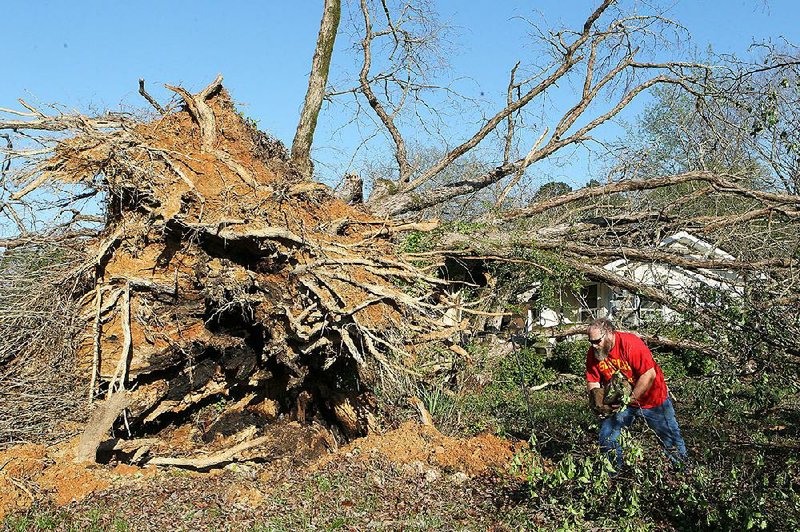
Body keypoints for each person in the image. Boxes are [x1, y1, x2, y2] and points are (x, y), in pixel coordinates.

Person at [585, 317, 687, 470]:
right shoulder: (595, 353)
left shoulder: (631, 344)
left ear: (609, 333)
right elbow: (592, 380)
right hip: (620, 403)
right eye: (591, 342)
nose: (594, 346)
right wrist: (598, 404)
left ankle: (683, 473)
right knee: (607, 436)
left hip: (653, 400)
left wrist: (629, 400)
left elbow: (649, 375)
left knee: (670, 440)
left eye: (597, 341)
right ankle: (612, 475)